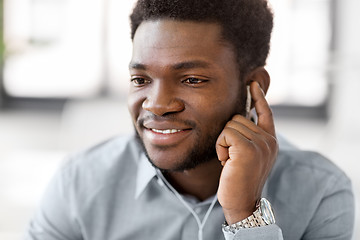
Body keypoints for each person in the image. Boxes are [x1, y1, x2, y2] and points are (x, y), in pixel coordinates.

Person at [24, 0, 355, 239]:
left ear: (255, 87)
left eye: (192, 79)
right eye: (140, 80)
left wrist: (246, 216)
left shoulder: (319, 190)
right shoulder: (79, 184)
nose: (157, 105)